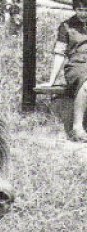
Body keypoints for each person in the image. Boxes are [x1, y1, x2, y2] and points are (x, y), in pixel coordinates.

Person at [43, 0, 87, 142]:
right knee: (85, 82)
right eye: (79, 9)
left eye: (86, 9)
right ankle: (77, 127)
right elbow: (59, 54)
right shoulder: (66, 26)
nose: (83, 13)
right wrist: (52, 80)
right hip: (76, 66)